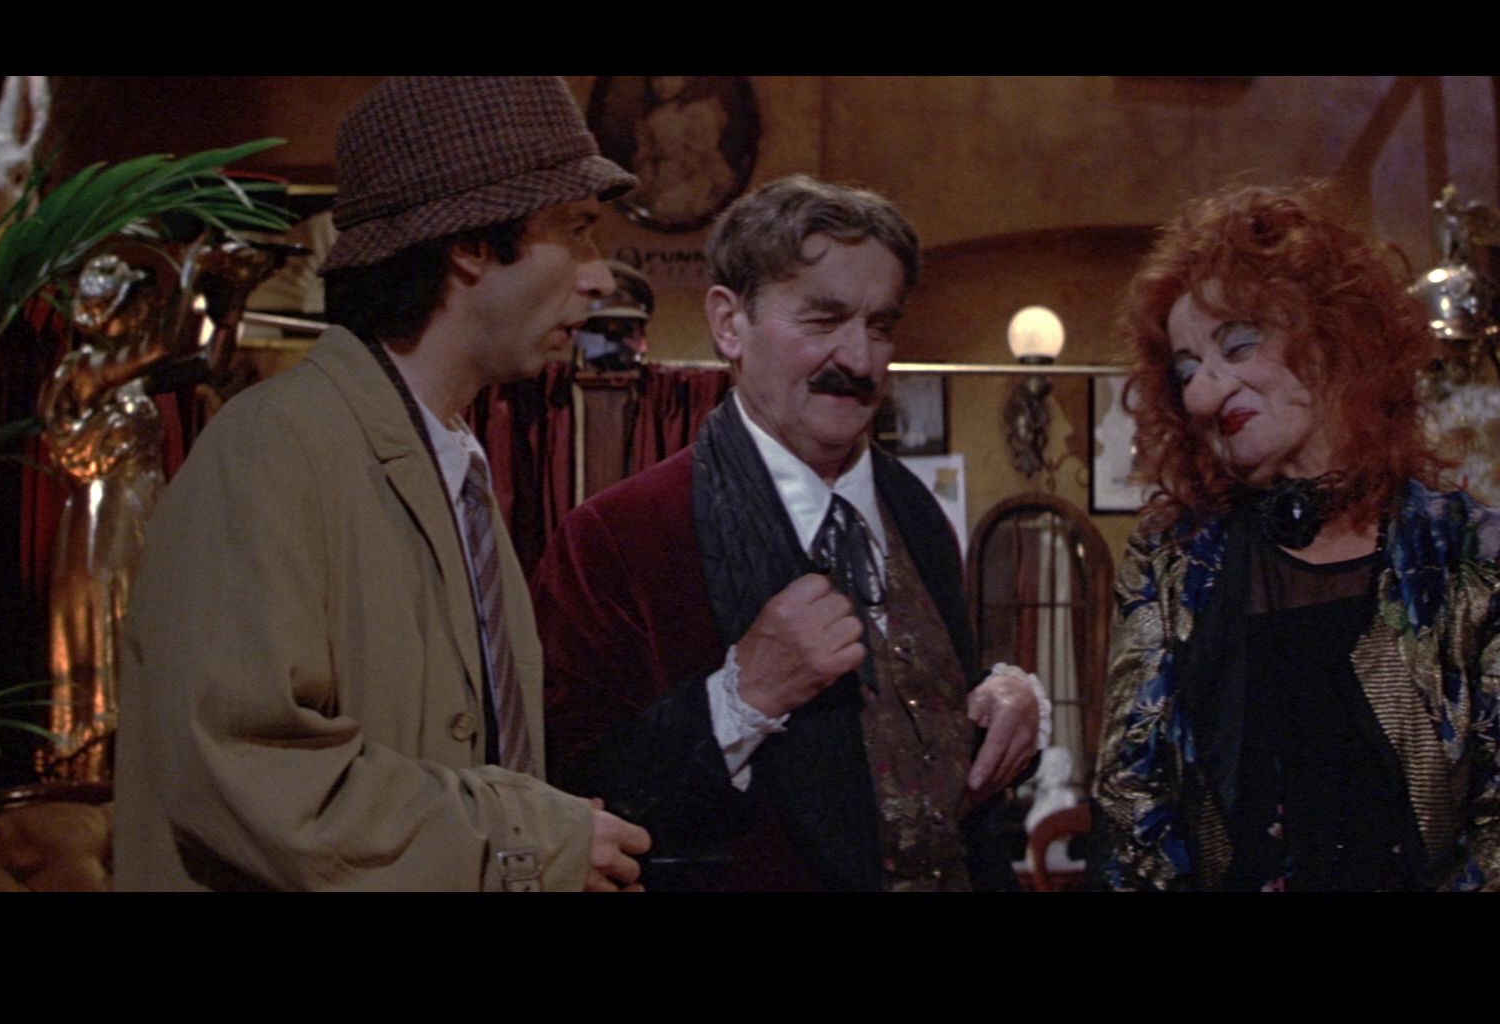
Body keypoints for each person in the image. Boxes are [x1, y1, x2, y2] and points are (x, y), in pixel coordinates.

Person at [114, 75, 653, 891]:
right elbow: (249, 767)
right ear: (469, 244)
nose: (600, 276)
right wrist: (528, 841)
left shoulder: (450, 457)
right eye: (575, 231)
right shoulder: (274, 446)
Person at [536, 174, 1042, 890]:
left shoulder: (916, 513)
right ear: (728, 324)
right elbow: (579, 802)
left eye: (880, 326)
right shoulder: (617, 538)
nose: (860, 360)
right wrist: (742, 697)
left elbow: (916, 736)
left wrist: (1005, 702)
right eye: (823, 320)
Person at [1093, 185, 1500, 891]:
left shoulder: (1495, 561)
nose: (1202, 394)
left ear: (1333, 336)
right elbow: (1129, 810)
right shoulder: (1172, 562)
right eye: (1186, 371)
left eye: (1238, 344)